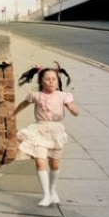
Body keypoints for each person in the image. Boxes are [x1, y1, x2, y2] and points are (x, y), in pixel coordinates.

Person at [14, 62, 79, 207]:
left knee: (54, 164)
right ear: (40, 81)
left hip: (56, 132)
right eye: (47, 79)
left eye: (54, 79)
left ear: (58, 81)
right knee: (40, 161)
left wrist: (73, 109)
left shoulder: (63, 96)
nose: (51, 81)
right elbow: (23, 104)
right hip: (39, 130)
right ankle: (46, 194)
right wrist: (14, 114)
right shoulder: (36, 95)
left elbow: (73, 109)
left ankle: (52, 189)